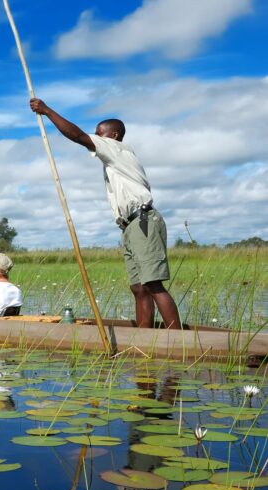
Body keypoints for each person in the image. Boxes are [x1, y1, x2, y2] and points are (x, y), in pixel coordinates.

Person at [29, 97, 182, 330]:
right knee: (138, 287)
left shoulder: (117, 148)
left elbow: (78, 136)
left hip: (143, 222)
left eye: (99, 134)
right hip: (131, 225)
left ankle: (176, 340)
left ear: (113, 136)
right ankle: (144, 337)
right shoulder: (114, 159)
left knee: (152, 283)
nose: (96, 138)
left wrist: (47, 111)